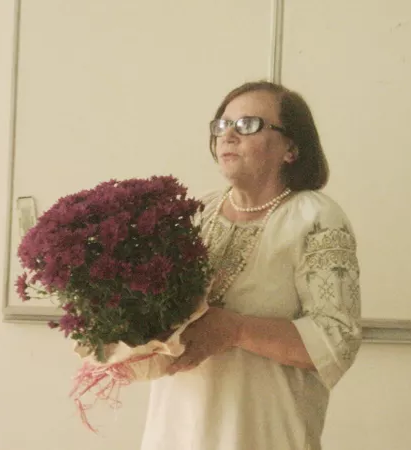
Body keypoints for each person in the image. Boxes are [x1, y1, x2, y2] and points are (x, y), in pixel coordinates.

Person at [140, 81, 362, 450]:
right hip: (176, 429)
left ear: (291, 148)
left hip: (263, 434)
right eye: (222, 124)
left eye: (248, 125)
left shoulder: (315, 218)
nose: (228, 135)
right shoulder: (196, 213)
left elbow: (336, 341)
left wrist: (236, 329)